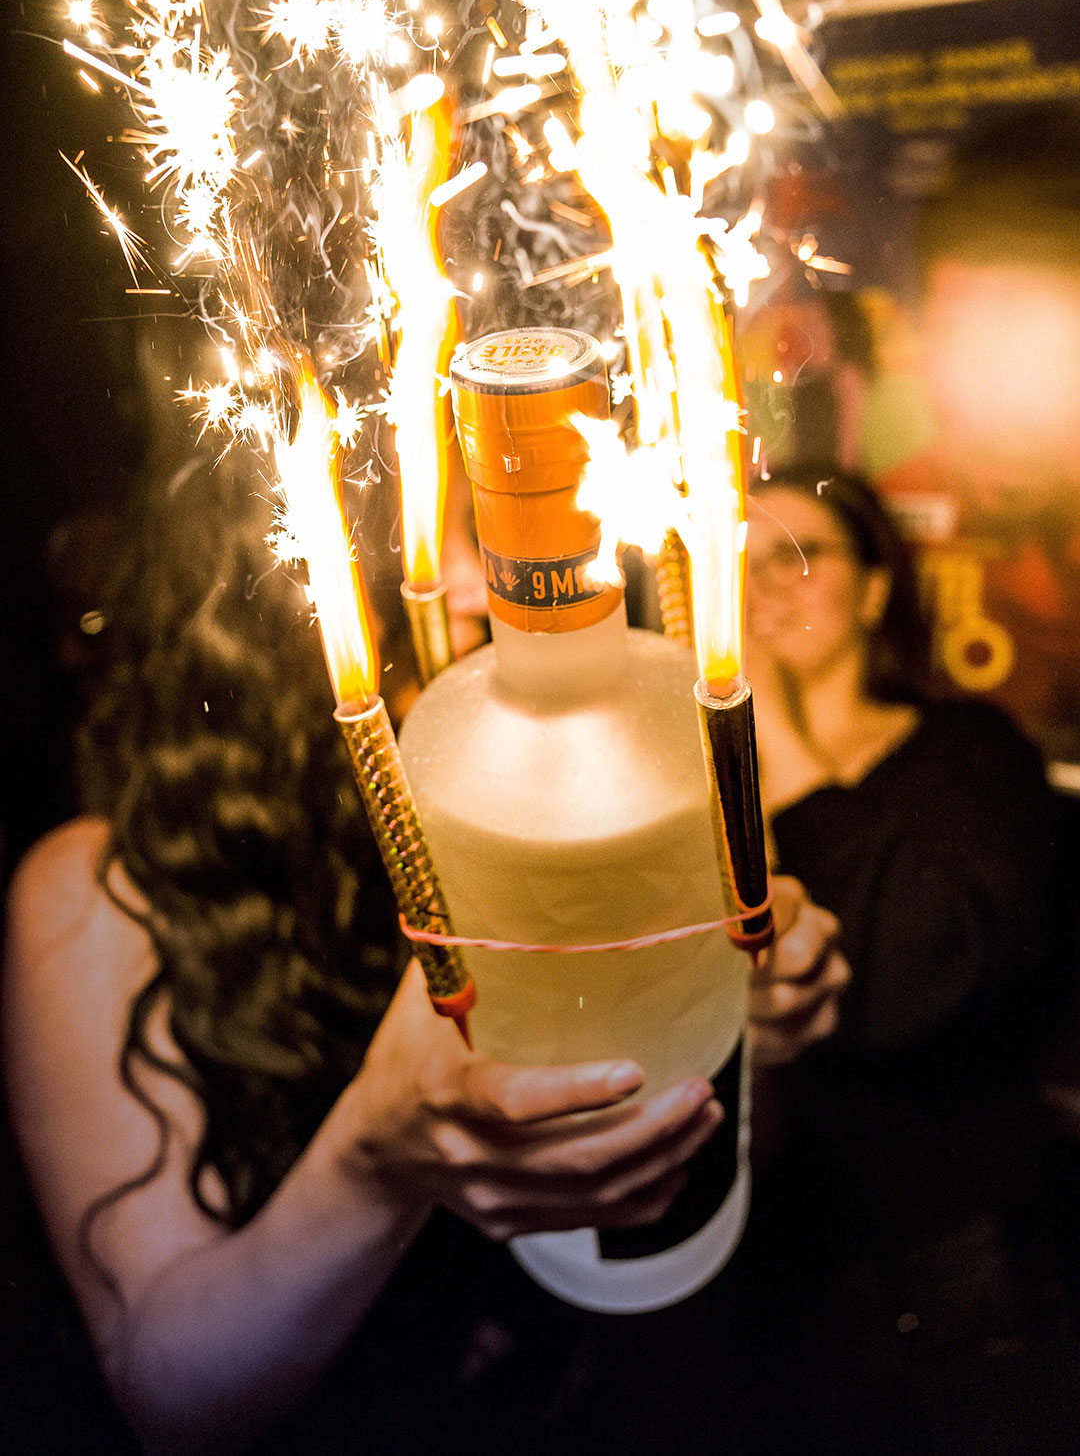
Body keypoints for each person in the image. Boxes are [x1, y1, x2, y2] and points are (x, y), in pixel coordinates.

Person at [2, 440, 848, 1456]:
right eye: (427, 526)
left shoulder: (579, 811)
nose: (484, 581)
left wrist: (737, 1018)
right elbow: (168, 1396)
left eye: (498, 525)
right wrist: (372, 1162)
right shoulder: (95, 888)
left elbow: (698, 1148)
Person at [737, 461, 1077, 1456]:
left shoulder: (972, 757)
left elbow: (900, 986)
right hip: (769, 1313)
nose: (766, 586)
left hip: (965, 1300)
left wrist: (767, 728)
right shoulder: (681, 788)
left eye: (800, 556)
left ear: (876, 589)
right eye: (741, 564)